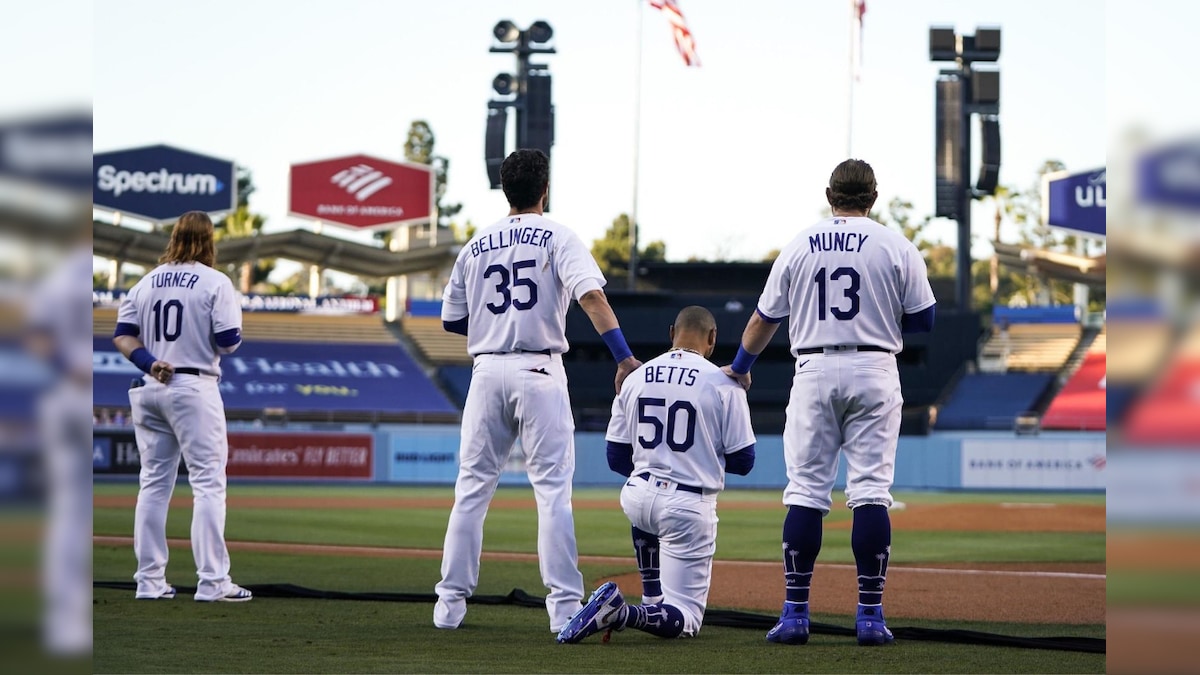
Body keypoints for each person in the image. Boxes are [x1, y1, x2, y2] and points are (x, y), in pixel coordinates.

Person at [723, 159, 936, 646]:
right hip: (875, 368)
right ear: (873, 197)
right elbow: (925, 320)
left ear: (829, 194)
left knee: (805, 492)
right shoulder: (895, 244)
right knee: (870, 491)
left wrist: (739, 367)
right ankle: (870, 617)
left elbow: (762, 320)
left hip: (814, 369)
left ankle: (796, 614)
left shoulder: (800, 243)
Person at [434, 148, 641, 634]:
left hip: (486, 372)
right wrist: (623, 356)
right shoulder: (559, 236)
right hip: (540, 371)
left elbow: (450, 320)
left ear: (505, 190)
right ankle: (564, 609)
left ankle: (448, 607)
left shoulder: (476, 243)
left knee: (470, 492)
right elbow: (591, 296)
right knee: (552, 495)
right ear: (544, 189)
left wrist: (494, 323)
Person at [556, 306, 756, 644]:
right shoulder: (725, 383)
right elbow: (744, 461)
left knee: (646, 507)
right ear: (712, 339)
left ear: (670, 333)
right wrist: (700, 456)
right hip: (688, 502)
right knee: (687, 619)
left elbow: (616, 456)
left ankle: (651, 598)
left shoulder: (635, 377)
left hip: (638, 496)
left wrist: (656, 467)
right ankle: (621, 612)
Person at [112, 210, 251, 603]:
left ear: (173, 237)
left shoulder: (146, 282)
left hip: (150, 382)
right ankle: (213, 582)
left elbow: (123, 336)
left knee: (153, 485)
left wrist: (149, 363)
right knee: (208, 483)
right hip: (193, 385)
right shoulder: (215, 281)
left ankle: (149, 581)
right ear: (209, 240)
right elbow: (228, 341)